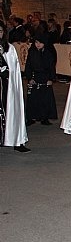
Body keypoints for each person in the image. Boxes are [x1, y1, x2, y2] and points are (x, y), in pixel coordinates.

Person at [0, 21, 30, 153]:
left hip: (7, 87)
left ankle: (17, 140)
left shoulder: (9, 48)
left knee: (12, 110)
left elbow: (14, 69)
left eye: (0, 31)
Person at [24, 34, 57, 126]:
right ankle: (31, 117)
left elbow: (51, 67)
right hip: (35, 76)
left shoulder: (48, 53)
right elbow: (28, 66)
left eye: (40, 43)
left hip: (45, 77)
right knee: (33, 99)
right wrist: (29, 77)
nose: (38, 44)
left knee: (45, 99)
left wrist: (51, 78)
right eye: (36, 42)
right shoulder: (32, 52)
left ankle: (44, 118)